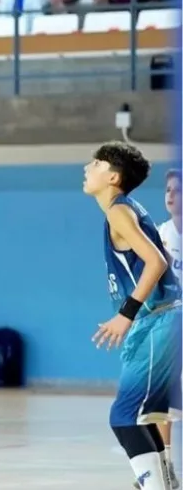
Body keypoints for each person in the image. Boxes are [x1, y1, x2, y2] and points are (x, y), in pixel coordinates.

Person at [85, 141, 182, 490]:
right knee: (140, 417)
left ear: (113, 176)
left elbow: (157, 261)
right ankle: (164, 484)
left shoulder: (118, 212)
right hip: (156, 322)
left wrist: (127, 313)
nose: (87, 168)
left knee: (125, 416)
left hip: (159, 321)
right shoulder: (123, 209)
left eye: (95, 164)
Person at [156, 168, 182, 488]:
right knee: (162, 404)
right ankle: (164, 468)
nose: (171, 194)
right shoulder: (159, 235)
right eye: (168, 189)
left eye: (178, 189)